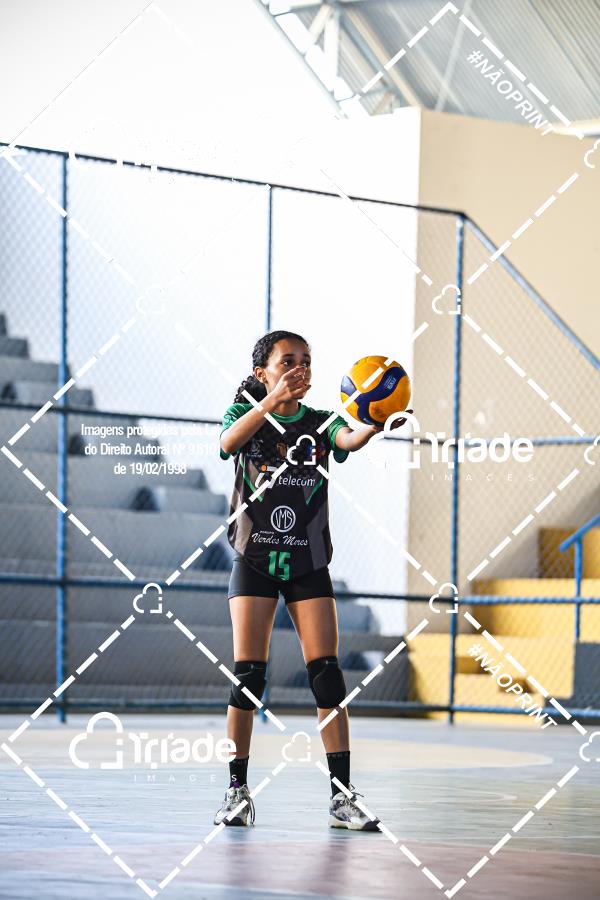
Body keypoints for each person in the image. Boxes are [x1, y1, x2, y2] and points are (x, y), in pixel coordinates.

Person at [213, 329, 406, 830]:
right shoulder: (245, 416)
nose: (299, 367)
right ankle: (236, 792)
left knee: (327, 675)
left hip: (307, 561)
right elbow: (227, 443)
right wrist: (268, 403)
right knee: (248, 677)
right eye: (288, 361)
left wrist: (376, 422)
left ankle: (342, 797)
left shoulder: (320, 421)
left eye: (306, 360)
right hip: (256, 558)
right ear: (263, 373)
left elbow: (347, 439)